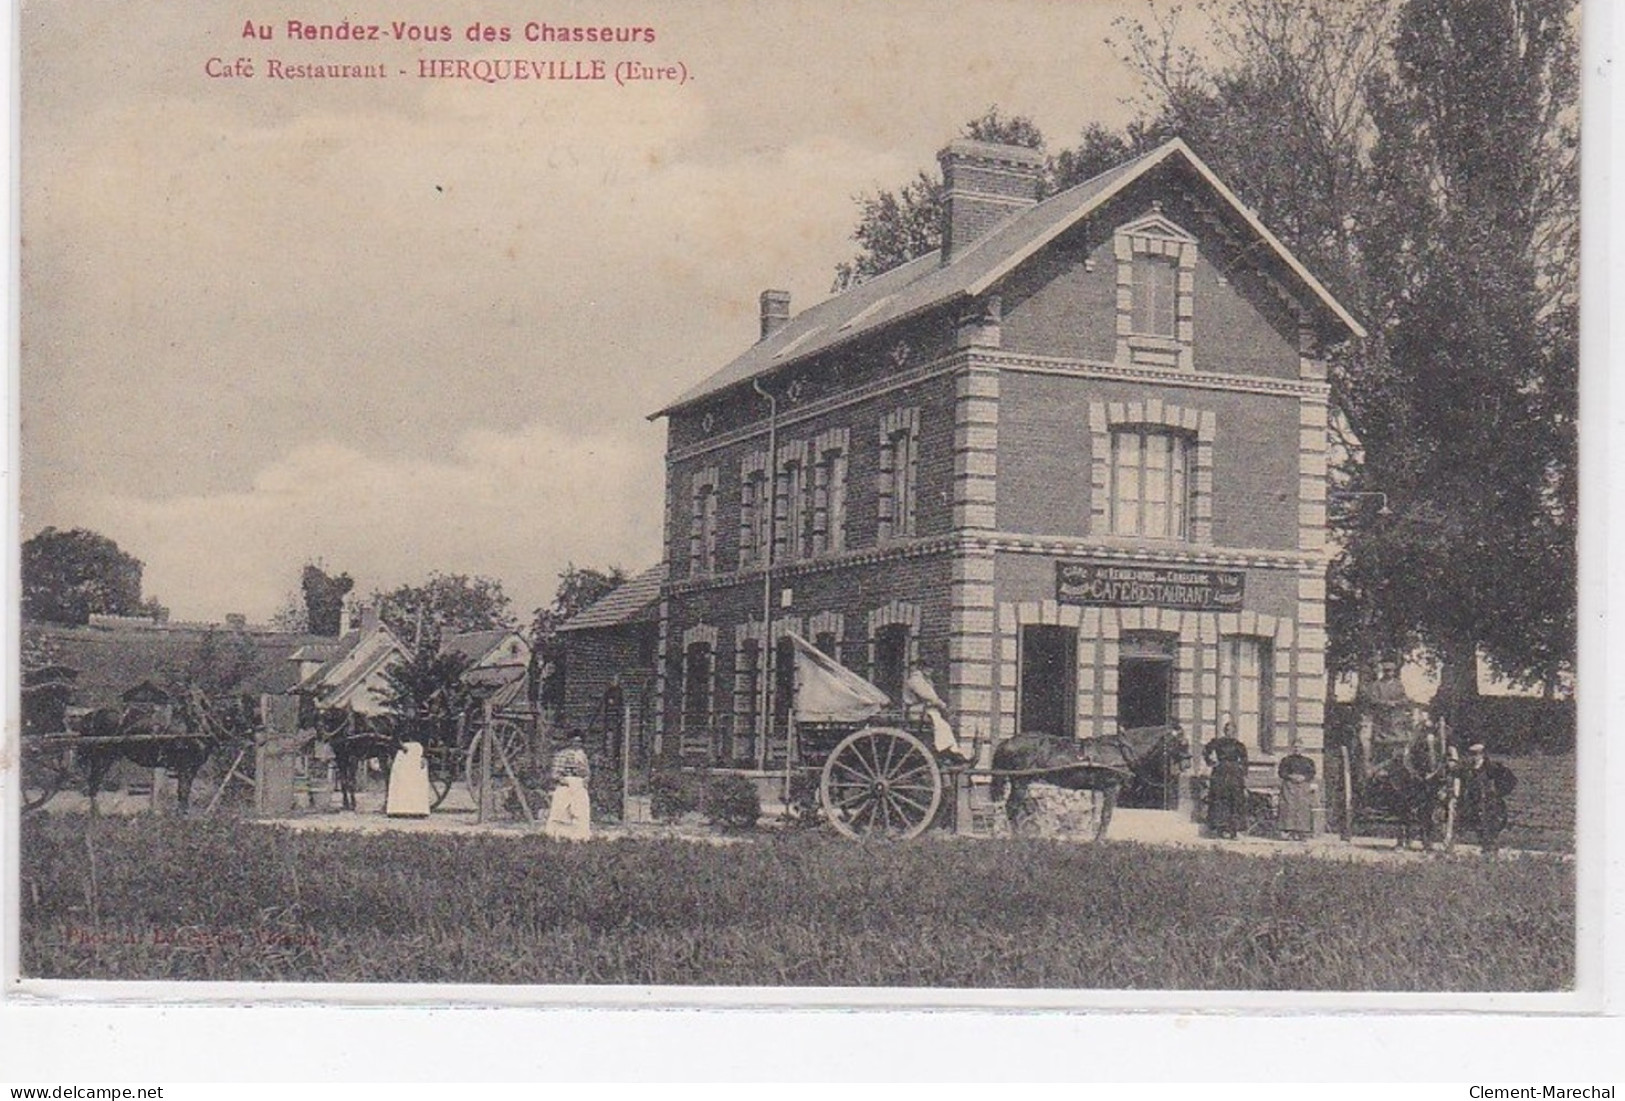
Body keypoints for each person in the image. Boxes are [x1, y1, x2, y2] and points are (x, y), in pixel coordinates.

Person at [1458, 742, 1516, 855]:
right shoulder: (1468, 768)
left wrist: (1499, 792)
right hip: (1474, 801)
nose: (1475, 756)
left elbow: (1510, 780)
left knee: (1491, 824)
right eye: (1472, 754)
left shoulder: (1493, 767)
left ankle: (1490, 848)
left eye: (1477, 754)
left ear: (1482, 754)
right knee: (1476, 824)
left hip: (1490, 802)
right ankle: (1485, 847)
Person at [903, 666, 970, 763]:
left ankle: (950, 749)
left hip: (924, 710)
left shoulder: (924, 680)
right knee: (942, 726)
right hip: (918, 712)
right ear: (923, 668)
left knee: (944, 725)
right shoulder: (916, 680)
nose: (931, 671)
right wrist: (942, 705)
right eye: (929, 668)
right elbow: (930, 696)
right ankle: (946, 748)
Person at [1203, 718, 1249, 839]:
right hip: (1220, 772)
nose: (1229, 732)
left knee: (1235, 800)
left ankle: (1233, 829)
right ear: (1224, 731)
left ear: (1235, 732)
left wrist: (1243, 774)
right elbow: (1206, 751)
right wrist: (1211, 762)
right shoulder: (1218, 742)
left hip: (1234, 773)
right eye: (1227, 730)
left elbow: (1244, 761)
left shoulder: (1239, 745)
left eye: (1232, 730)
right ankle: (1220, 828)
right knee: (1219, 798)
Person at [544, 733, 593, 841]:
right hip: (566, 785)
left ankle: (579, 837)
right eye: (574, 742)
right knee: (560, 811)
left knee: (581, 811)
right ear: (569, 742)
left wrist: (585, 780)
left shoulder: (582, 755)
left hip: (579, 784)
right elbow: (555, 773)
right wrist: (564, 781)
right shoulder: (562, 754)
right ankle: (557, 836)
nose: (577, 744)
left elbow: (587, 771)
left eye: (579, 742)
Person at [1276, 750, 1317, 840]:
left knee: (1302, 807)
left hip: (1303, 787)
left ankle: (1302, 832)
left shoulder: (1308, 761)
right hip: (1289, 786)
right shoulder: (1286, 760)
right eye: (1295, 747)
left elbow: (1312, 773)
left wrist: (1304, 777)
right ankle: (1288, 831)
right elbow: (1281, 772)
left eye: (1300, 747)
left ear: (1303, 749)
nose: (1297, 749)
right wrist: (1291, 776)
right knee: (1288, 807)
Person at [385, 741, 430, 817]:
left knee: (416, 780)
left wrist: (424, 756)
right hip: (402, 751)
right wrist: (398, 747)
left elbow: (426, 739)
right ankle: (398, 809)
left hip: (417, 750)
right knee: (401, 779)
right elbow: (395, 737)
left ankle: (418, 809)